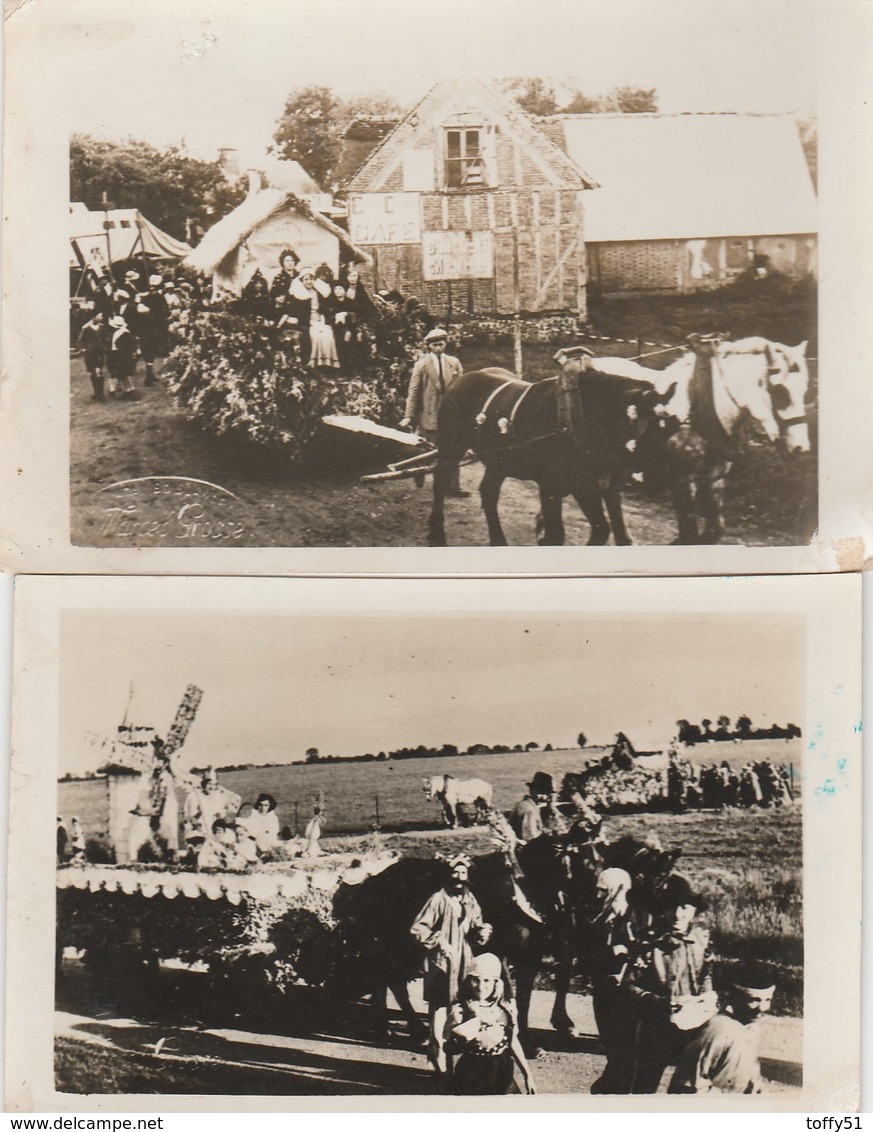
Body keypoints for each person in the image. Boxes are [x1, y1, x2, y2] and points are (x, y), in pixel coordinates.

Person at [624, 874, 716, 1093]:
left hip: (695, 1023)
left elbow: (706, 975)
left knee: (689, 1085)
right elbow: (628, 985)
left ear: (694, 910)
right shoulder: (649, 943)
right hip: (657, 1025)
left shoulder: (702, 940)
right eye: (671, 907)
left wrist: (705, 996)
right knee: (645, 1083)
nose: (677, 914)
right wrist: (658, 1002)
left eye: (684, 907)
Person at [410, 853, 492, 1074]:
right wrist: (439, 942)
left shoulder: (469, 898)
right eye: (455, 872)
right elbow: (419, 928)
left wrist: (483, 931)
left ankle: (464, 1064)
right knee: (439, 1011)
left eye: (463, 873)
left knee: (464, 1009)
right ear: (448, 874)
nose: (459, 877)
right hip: (442, 963)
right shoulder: (438, 899)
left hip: (465, 961)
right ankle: (438, 1063)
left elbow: (476, 925)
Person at [669, 962, 777, 1094]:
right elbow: (689, 1085)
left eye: (767, 1000)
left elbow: (751, 1074)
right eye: (753, 1000)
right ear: (733, 998)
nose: (762, 1008)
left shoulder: (752, 1028)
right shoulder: (718, 1029)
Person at [446, 952, 535, 1095]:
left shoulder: (505, 1010)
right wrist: (449, 1075)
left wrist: (528, 1075)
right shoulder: (461, 1010)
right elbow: (447, 1047)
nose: (481, 986)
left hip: (502, 1071)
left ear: (496, 983)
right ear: (469, 981)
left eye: (487, 981)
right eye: (476, 980)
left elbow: (513, 1042)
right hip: (471, 1073)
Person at [399, 327, 467, 496]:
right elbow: (414, 392)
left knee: (453, 449)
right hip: (430, 413)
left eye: (441, 344)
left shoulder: (454, 362)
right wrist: (409, 415)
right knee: (429, 449)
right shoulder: (421, 365)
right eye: (435, 345)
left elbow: (462, 389)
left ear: (445, 344)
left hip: (451, 413)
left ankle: (453, 487)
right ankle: (419, 472)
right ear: (428, 346)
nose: (438, 348)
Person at [587, 868, 636, 1094]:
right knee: (609, 1037)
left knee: (621, 1041)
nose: (598, 895)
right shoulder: (602, 916)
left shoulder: (631, 917)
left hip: (622, 988)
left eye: (603, 890)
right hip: (603, 986)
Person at [288, 266, 340, 369]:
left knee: (328, 336)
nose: (308, 282)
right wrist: (309, 322)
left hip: (320, 320)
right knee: (316, 337)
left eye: (311, 279)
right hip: (308, 322)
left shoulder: (318, 293)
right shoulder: (300, 295)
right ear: (302, 281)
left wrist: (325, 318)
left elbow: (324, 308)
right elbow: (298, 313)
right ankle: (315, 365)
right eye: (306, 279)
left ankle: (328, 364)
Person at [553, 344, 596, 445]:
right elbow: (559, 355)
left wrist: (582, 350)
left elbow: (559, 354)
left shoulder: (579, 364)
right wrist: (582, 349)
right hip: (569, 392)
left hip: (576, 391)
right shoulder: (569, 366)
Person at [509, 772, 554, 843]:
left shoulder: (526, 805)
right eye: (541, 793)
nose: (544, 797)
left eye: (546, 794)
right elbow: (530, 838)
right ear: (532, 790)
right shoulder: (529, 810)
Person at [106, 315, 139, 399]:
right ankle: (128, 390)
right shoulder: (118, 333)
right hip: (118, 356)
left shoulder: (125, 334)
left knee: (125, 374)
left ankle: (131, 390)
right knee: (122, 375)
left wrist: (119, 355)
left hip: (123, 357)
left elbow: (128, 347)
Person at [77, 311, 107, 401]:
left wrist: (104, 346)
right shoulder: (86, 328)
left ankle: (101, 394)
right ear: (94, 317)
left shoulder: (101, 327)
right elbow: (81, 340)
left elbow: (104, 338)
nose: (101, 317)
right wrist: (83, 349)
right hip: (90, 354)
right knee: (92, 373)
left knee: (99, 372)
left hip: (99, 353)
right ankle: (96, 392)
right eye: (100, 315)